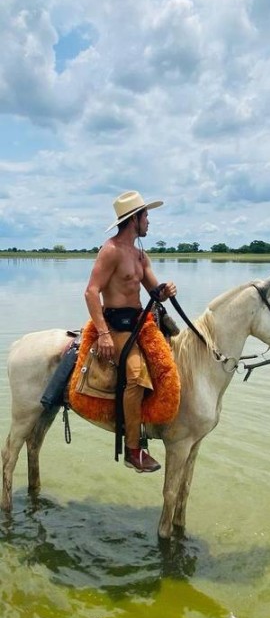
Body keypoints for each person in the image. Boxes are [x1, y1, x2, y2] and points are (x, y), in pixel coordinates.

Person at [84, 190, 176, 473]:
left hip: (140, 321)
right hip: (116, 324)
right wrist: (103, 333)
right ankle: (134, 450)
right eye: (146, 216)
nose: (149, 222)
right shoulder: (111, 250)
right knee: (135, 377)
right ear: (134, 219)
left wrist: (165, 291)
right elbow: (91, 292)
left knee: (170, 362)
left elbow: (153, 292)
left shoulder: (140, 255)